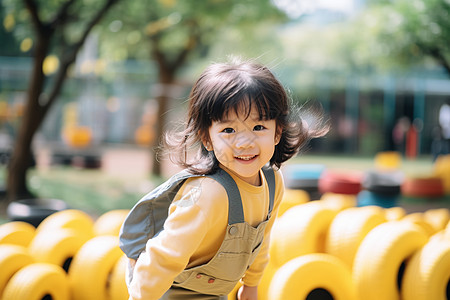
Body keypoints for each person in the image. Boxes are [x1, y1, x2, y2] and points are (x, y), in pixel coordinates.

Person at [122, 57, 328, 300]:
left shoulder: (273, 183)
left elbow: (261, 239)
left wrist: (251, 284)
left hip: (213, 289)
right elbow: (164, 257)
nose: (244, 142)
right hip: (163, 286)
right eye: (228, 130)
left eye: (258, 127)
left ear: (277, 132)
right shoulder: (209, 194)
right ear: (207, 138)